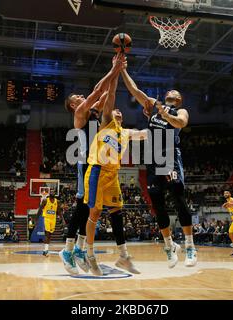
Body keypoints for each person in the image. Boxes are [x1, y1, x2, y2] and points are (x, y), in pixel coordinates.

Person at [120, 68, 197, 268]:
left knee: (179, 200)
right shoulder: (155, 106)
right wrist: (122, 70)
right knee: (157, 205)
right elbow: (135, 90)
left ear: (179, 100)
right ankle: (169, 246)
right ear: (165, 96)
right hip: (153, 160)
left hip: (170, 156)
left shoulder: (181, 111)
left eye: (177, 94)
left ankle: (190, 246)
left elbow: (181, 123)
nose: (173, 93)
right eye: (170, 92)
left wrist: (164, 113)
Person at [59, 53, 127, 275]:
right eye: (77, 96)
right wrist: (114, 69)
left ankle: (78, 248)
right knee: (82, 206)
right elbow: (98, 90)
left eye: (81, 95)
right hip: (85, 163)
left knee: (91, 208)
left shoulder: (94, 112)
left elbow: (106, 92)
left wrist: (118, 71)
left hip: (97, 162)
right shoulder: (80, 113)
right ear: (72, 104)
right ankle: (67, 250)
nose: (80, 96)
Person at [84, 62, 146, 276]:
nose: (117, 111)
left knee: (117, 212)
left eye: (120, 111)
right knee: (95, 212)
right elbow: (110, 94)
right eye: (115, 110)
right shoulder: (107, 123)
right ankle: (89, 256)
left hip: (112, 175)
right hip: (97, 171)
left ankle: (124, 256)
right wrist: (117, 69)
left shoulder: (126, 132)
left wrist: (163, 120)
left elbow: (145, 134)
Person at [40, 190, 63, 256]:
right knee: (47, 234)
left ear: (55, 194)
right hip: (47, 218)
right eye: (51, 192)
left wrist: (62, 219)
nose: (52, 193)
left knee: (50, 235)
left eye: (54, 192)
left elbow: (59, 211)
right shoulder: (45, 200)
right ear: (49, 194)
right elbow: (40, 209)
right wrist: (36, 218)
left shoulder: (57, 201)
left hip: (53, 219)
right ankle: (46, 250)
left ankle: (45, 250)